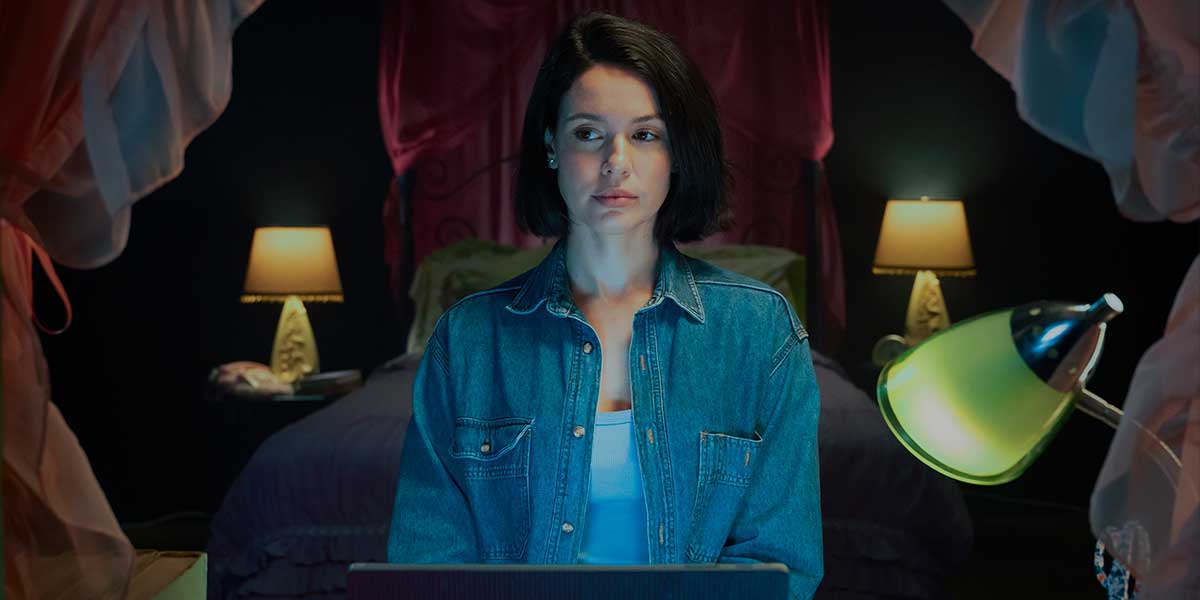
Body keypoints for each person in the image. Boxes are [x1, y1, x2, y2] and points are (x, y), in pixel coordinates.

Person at [387, 11, 823, 599]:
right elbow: (430, 568)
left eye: (645, 134)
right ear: (551, 146)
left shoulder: (762, 331)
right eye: (588, 133)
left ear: (676, 154)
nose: (616, 160)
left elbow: (780, 566)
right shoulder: (466, 342)